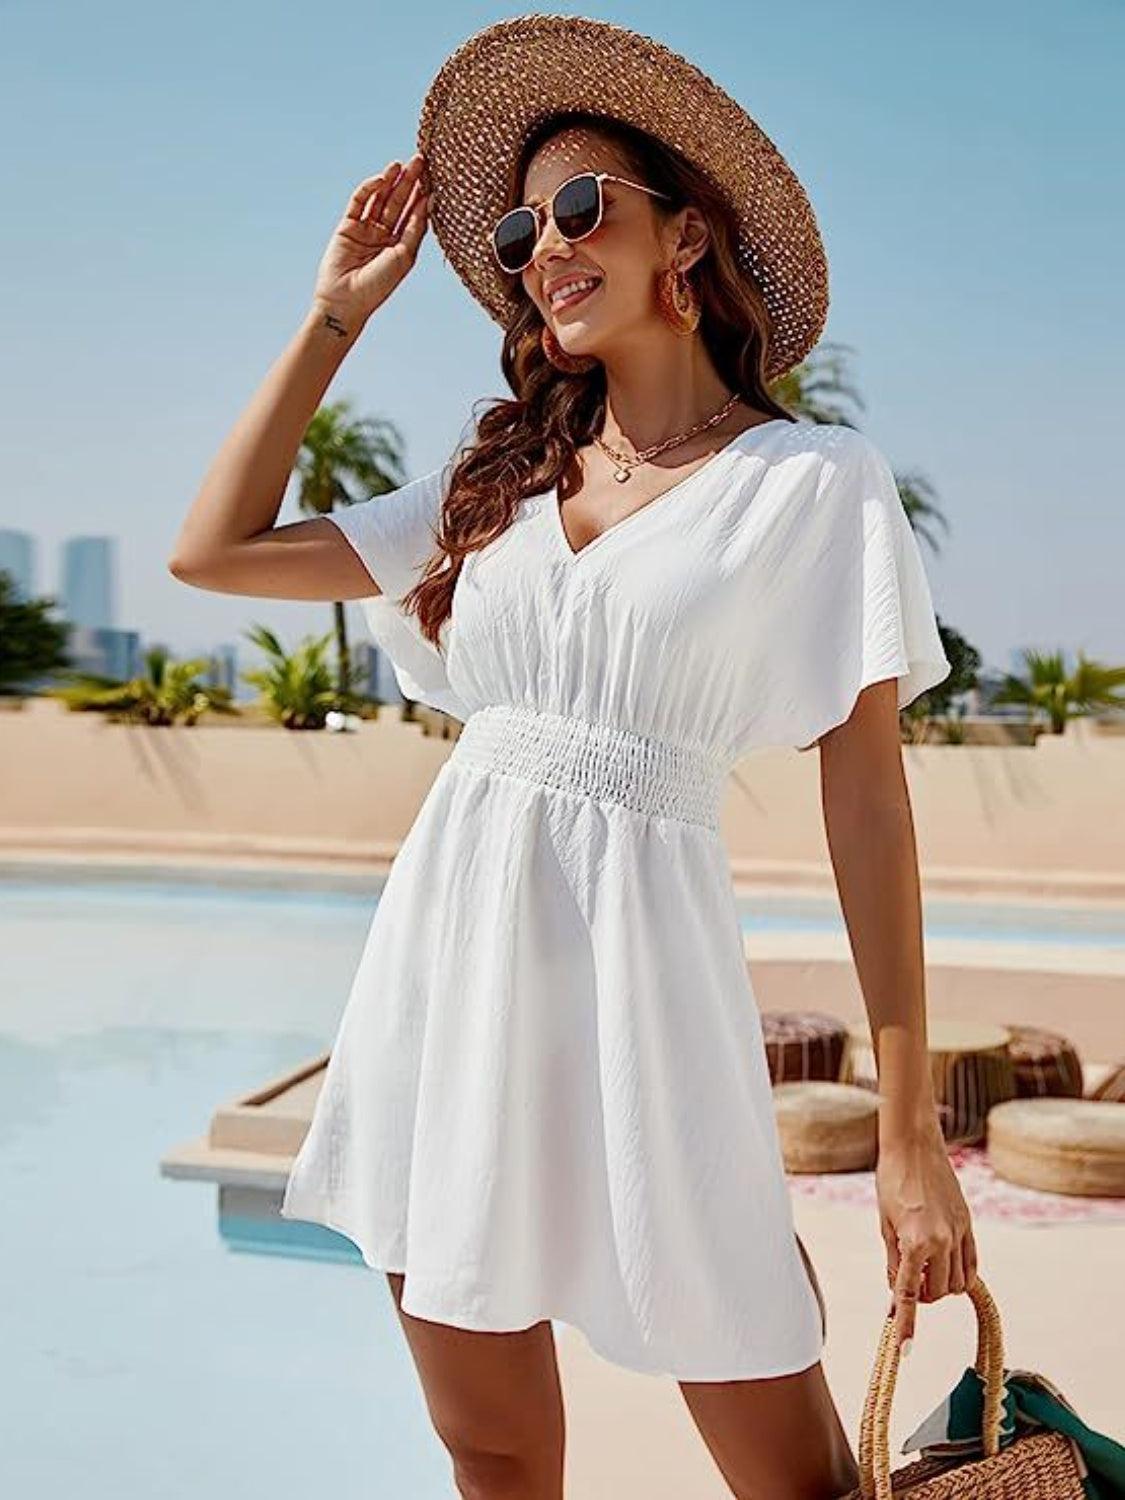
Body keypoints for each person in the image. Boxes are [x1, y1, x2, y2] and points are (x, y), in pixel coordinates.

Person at [169, 16, 979, 1499]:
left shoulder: (808, 486)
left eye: (583, 207)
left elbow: (866, 801)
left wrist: (910, 1135)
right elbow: (211, 549)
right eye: (518, 226)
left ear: (688, 238)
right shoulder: (492, 490)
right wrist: (335, 314)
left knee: (791, 1472)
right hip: (447, 994)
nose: (541, 244)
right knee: (490, 1446)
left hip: (650, 1001)